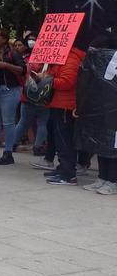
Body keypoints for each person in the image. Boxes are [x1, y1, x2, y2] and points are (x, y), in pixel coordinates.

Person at [42, 44, 86, 185]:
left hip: (66, 106)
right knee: (61, 140)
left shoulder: (71, 58)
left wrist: (46, 80)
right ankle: (63, 168)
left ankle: (68, 175)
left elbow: (67, 82)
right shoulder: (61, 58)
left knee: (65, 140)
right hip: (59, 104)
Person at [79, 33, 117, 194]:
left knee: (113, 147)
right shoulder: (93, 65)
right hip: (100, 111)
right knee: (101, 145)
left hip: (113, 113)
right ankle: (102, 177)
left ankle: (112, 181)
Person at [0, 28, 26, 165]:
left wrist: (6, 65)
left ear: (4, 39)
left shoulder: (12, 53)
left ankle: (8, 152)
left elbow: (22, 69)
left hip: (10, 90)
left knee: (8, 122)